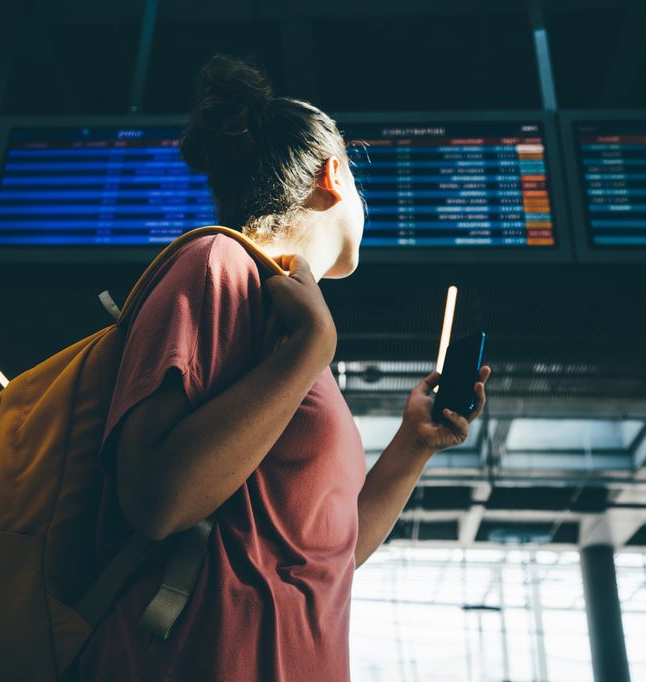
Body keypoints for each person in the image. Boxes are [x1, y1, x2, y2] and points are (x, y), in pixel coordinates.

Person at [76, 54, 491, 681]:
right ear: (333, 176)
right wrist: (310, 350)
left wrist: (414, 444)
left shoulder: (293, 333)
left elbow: (327, 554)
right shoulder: (217, 266)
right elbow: (156, 501)